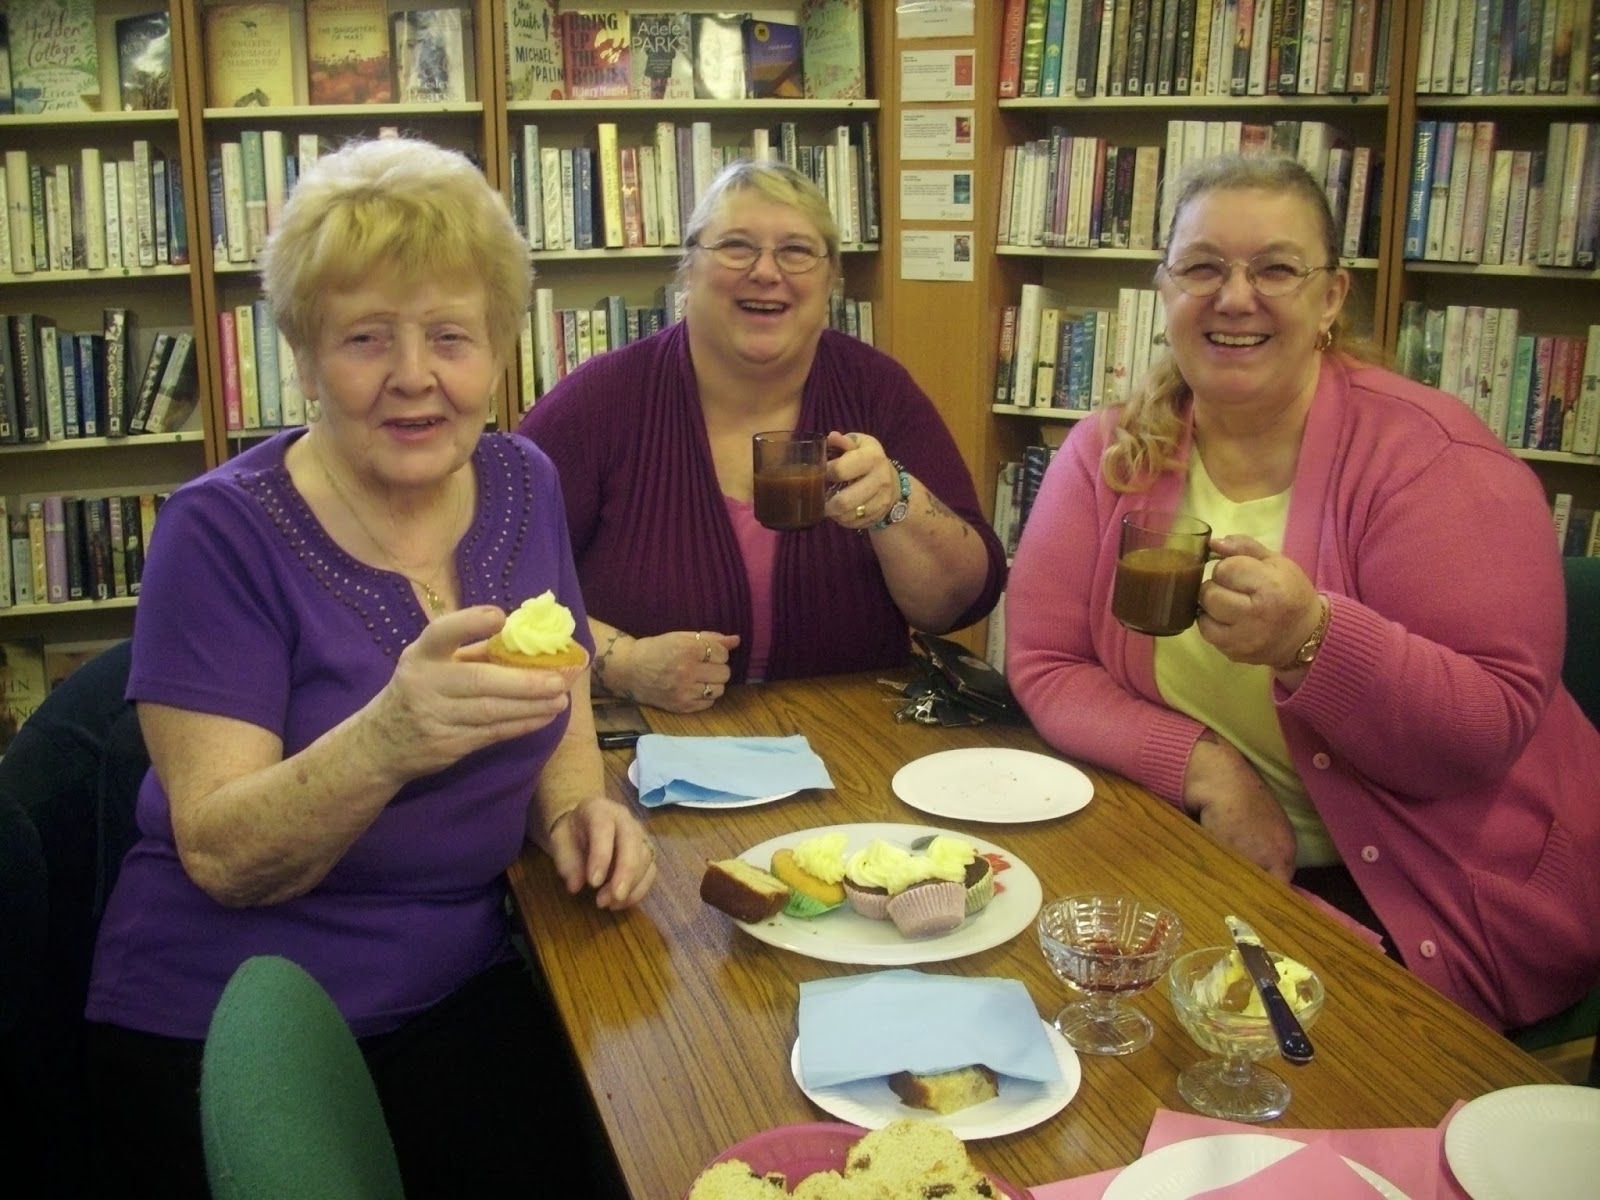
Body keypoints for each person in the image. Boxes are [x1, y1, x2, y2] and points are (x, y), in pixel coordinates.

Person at [82, 137, 655, 1198]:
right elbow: (221, 855)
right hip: (231, 1026)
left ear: (499, 350)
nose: (414, 376)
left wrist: (580, 808)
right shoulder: (218, 533)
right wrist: (390, 737)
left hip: (466, 983)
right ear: (304, 358)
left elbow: (561, 694)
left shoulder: (522, 480)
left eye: (451, 335)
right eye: (365, 338)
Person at [1005, 153, 1600, 1032]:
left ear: (1330, 299)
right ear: (1163, 289)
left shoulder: (1431, 459)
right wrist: (1208, 767)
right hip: (1207, 855)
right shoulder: (1109, 453)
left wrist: (1311, 640)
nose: (1235, 297)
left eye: (1276, 268)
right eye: (1202, 267)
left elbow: (1486, 726)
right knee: (1046, 1003)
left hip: (1424, 891)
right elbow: (1045, 663)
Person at [517, 159, 1005, 712]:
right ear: (688, 269)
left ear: (831, 279)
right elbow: (498, 586)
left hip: (855, 740)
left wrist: (897, 503)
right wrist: (624, 665)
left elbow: (961, 604)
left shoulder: (878, 392)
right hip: (654, 740)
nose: (766, 272)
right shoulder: (599, 402)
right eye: (736, 246)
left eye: (796, 251)